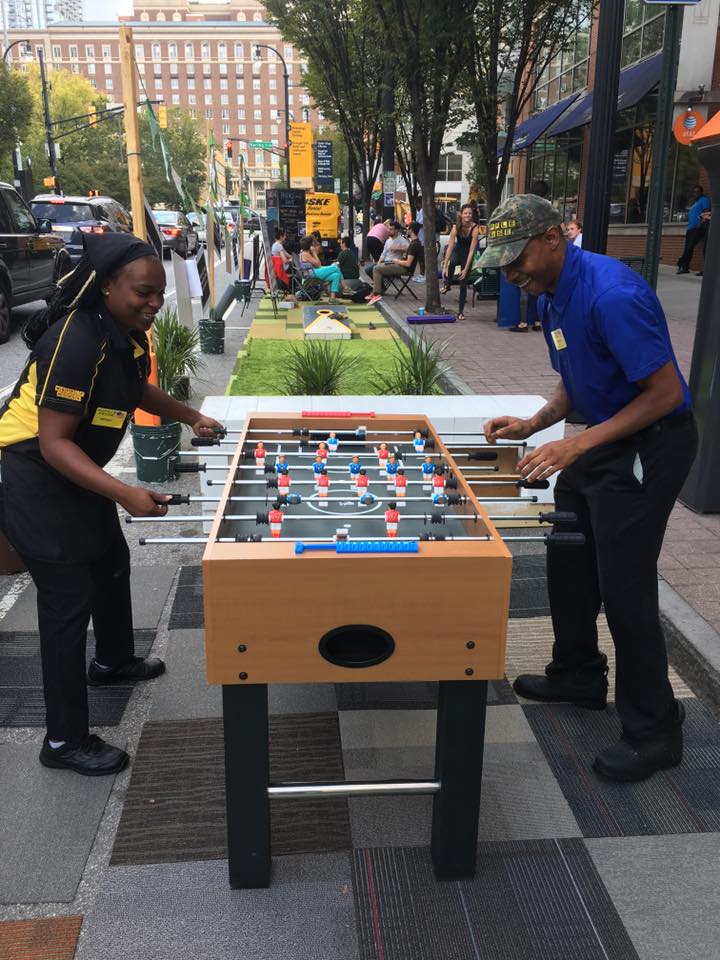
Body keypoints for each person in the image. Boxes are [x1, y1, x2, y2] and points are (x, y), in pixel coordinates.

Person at [478, 194, 697, 783]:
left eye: (516, 257)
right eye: (502, 264)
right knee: (570, 557)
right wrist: (534, 424)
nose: (511, 273)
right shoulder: (551, 296)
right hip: (601, 441)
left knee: (624, 586)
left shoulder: (612, 295)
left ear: (554, 237)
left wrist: (574, 445)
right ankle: (577, 673)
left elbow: (665, 395)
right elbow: (576, 379)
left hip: (650, 443)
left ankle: (655, 729)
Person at [0, 232, 224, 776]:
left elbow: (135, 390)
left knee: (109, 560)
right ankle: (64, 741)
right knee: (67, 598)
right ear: (106, 287)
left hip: (72, 463)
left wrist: (190, 417)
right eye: (141, 293)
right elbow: (52, 442)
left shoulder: (127, 333)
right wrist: (125, 491)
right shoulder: (76, 341)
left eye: (157, 294)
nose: (152, 303)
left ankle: (113, 661)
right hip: (31, 467)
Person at [367, 221, 423, 304]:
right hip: (398, 264)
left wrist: (397, 261)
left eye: (408, 229)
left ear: (411, 230)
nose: (407, 230)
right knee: (375, 267)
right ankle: (377, 291)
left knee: (376, 269)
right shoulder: (413, 243)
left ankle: (377, 293)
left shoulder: (414, 244)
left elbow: (408, 263)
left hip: (404, 268)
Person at [441, 203, 480, 321]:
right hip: (458, 250)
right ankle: (447, 285)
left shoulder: (475, 228)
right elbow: (451, 246)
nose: (468, 215)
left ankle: (460, 312)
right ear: (461, 215)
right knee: (452, 262)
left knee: (463, 284)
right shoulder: (455, 227)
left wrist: (466, 268)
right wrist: (445, 265)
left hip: (467, 254)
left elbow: (472, 250)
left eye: (470, 213)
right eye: (465, 213)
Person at [298, 236, 352, 301]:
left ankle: (332, 298)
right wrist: (314, 253)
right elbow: (318, 264)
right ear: (309, 245)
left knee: (336, 275)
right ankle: (345, 288)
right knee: (336, 267)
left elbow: (317, 265)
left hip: (313, 272)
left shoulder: (303, 252)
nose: (313, 245)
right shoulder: (305, 254)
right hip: (312, 274)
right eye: (312, 244)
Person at [677, 184, 711, 274]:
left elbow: (706, 212)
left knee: (689, 248)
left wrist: (700, 225)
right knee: (688, 248)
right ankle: (685, 267)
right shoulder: (695, 202)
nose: (696, 193)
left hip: (698, 228)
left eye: (698, 191)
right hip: (690, 228)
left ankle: (681, 264)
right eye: (694, 192)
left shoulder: (704, 200)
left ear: (701, 192)